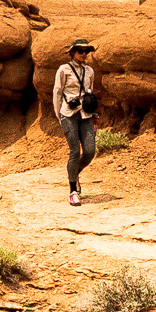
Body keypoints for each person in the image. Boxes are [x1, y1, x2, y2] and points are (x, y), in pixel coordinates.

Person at [52, 39, 101, 205]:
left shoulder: (89, 71)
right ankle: (73, 191)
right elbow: (57, 92)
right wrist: (59, 115)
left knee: (89, 151)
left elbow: (90, 92)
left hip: (85, 115)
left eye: (86, 51)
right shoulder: (63, 70)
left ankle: (74, 173)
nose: (83, 54)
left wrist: (94, 115)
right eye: (80, 51)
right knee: (74, 151)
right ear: (72, 52)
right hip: (68, 114)